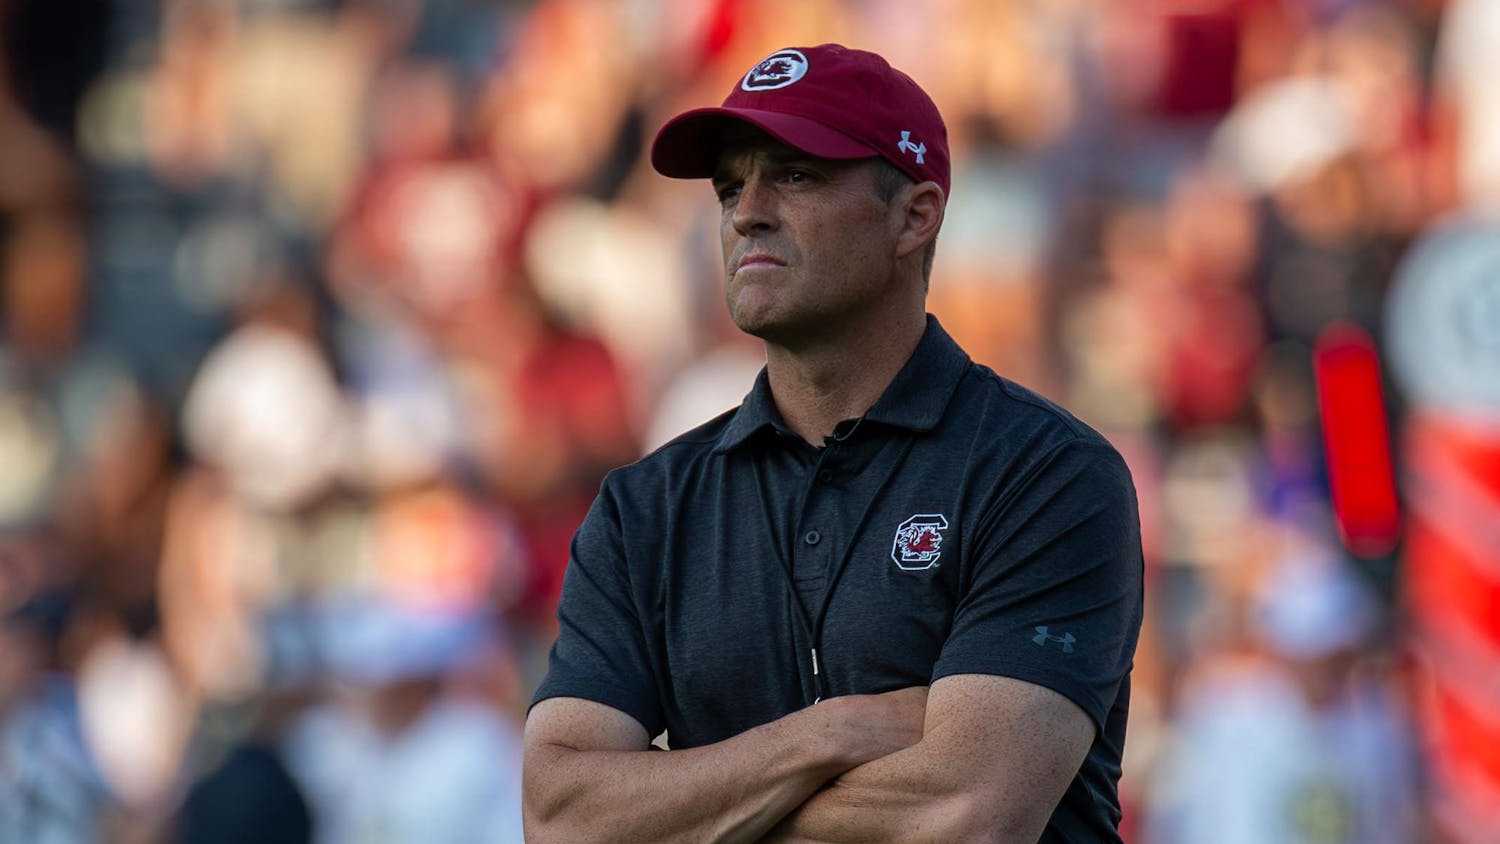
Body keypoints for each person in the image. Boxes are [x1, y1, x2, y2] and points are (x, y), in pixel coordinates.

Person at [523, 43, 1144, 843]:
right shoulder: (644, 509)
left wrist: (679, 813)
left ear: (914, 216)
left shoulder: (1047, 473)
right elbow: (561, 818)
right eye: (728, 187)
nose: (746, 211)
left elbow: (963, 817)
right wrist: (825, 736)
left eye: (796, 175)